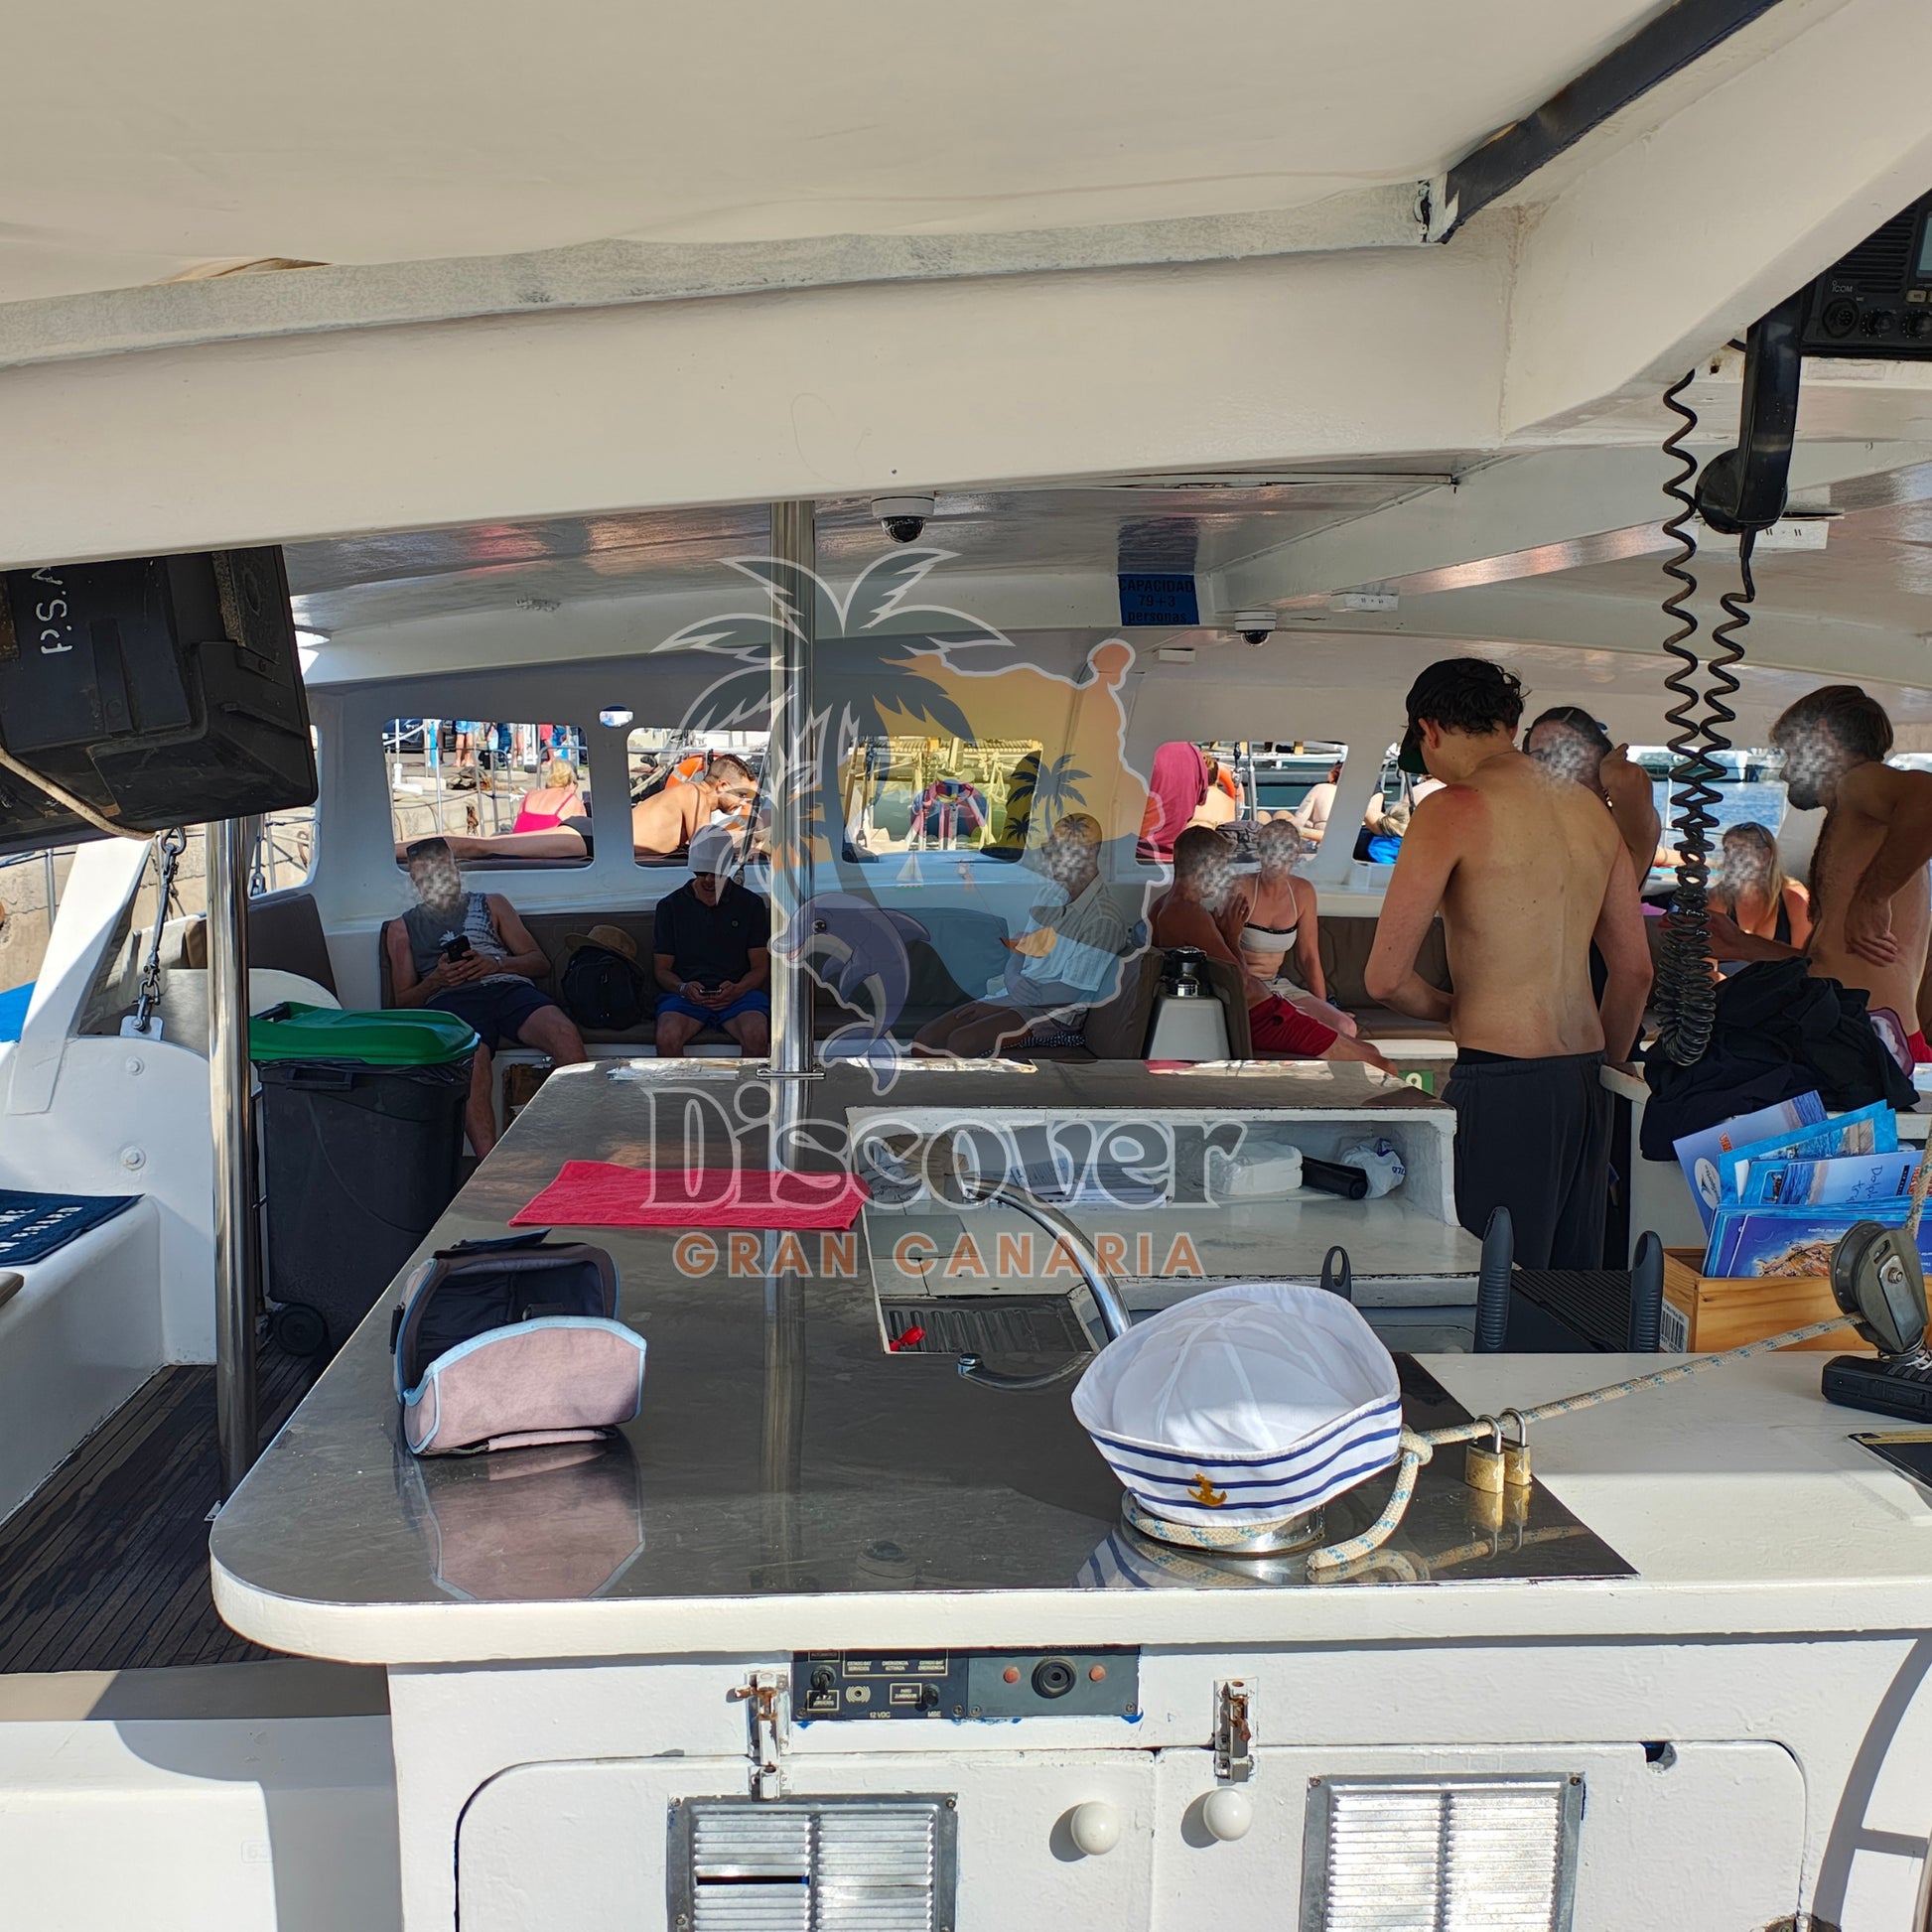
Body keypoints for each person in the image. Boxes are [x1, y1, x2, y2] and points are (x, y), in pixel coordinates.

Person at [1365, 658, 1651, 1269]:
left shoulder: (1452, 808)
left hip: (1504, 1082)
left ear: (1429, 730)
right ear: (1510, 725)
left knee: (1489, 1286)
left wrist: (1454, 1009)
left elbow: (1385, 979)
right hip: (1587, 1081)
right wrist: (1606, 1068)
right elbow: (1634, 972)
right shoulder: (1590, 810)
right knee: (1567, 1291)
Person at [1709, 684, 1932, 1058]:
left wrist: (1872, 900)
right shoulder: (1852, 818)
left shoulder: (1858, 781)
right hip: (1859, 1035)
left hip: (1874, 1041)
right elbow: (1827, 964)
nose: (1785, 772)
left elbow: (1927, 799)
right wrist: (1742, 945)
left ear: (1822, 735)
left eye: (1790, 752)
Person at [385, 838, 587, 1158]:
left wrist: (495, 963)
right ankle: (488, 1166)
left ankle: (578, 1145)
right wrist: (436, 980)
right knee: (473, 1060)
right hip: (450, 1001)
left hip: (507, 987)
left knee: (564, 1034)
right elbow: (403, 1003)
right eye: (425, 875)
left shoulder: (492, 904)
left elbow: (539, 962)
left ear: (455, 869)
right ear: (414, 879)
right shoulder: (401, 929)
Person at [1154, 827, 1397, 1071]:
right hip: (1264, 1018)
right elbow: (1239, 981)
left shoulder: (1162, 907)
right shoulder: (1190, 914)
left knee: (1369, 1051)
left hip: (1266, 1011)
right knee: (1379, 1063)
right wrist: (1232, 937)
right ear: (1208, 864)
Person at [913, 814, 1133, 1057]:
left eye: (1062, 850)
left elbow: (1069, 993)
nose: (1051, 857)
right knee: (926, 1041)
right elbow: (1022, 947)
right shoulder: (1049, 895)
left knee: (962, 1043)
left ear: (1091, 853)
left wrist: (1005, 1001)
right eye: (1050, 849)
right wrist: (1013, 978)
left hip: (1056, 1014)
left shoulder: (1103, 919)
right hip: (1017, 995)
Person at [398, 754, 758, 866]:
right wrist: (753, 841)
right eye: (743, 796)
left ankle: (397, 849)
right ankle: (395, 852)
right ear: (721, 786)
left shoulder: (691, 794)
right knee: (484, 847)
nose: (744, 804)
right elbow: (701, 849)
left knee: (489, 845)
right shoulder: (696, 794)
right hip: (592, 839)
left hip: (593, 834)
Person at [1229, 817, 1358, 1036]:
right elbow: (1226, 951)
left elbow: (1309, 957)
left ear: (1296, 854)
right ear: (1260, 851)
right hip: (1242, 986)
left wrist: (1324, 1006)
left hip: (1277, 986)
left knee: (1345, 1027)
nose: (1277, 858)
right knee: (1284, 1024)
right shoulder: (1240, 888)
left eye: (1285, 850)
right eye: (1271, 849)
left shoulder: (1303, 892)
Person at [652, 827, 771, 1057]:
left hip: (740, 996)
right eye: (701, 873)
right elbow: (662, 970)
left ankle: (751, 1084)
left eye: (715, 874)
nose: (708, 880)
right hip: (685, 997)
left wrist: (737, 990)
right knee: (667, 1036)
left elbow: (760, 967)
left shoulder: (750, 905)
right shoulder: (670, 907)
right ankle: (676, 1084)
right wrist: (683, 988)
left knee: (756, 1035)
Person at [1523, 706, 1663, 887]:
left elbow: (1625, 777)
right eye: (1539, 757)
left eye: (1567, 749)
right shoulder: (1540, 822)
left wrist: (1612, 766)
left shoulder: (1625, 826)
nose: (1553, 764)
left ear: (1599, 752)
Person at [1712, 820, 1811, 948]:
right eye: (1727, 851)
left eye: (1739, 851)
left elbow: (1803, 955)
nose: (1729, 859)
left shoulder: (1795, 898)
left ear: (1764, 856)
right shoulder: (1718, 898)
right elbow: (1709, 955)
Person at [511, 758, 586, 834]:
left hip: (519, 840)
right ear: (572, 783)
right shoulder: (571, 800)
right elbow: (585, 834)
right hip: (550, 840)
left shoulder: (529, 796)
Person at [1287, 761, 1341, 845]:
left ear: (1332, 776)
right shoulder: (1361, 795)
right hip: (1354, 842)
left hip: (1326, 843)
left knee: (1281, 815)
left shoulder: (1322, 789)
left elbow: (1299, 820)